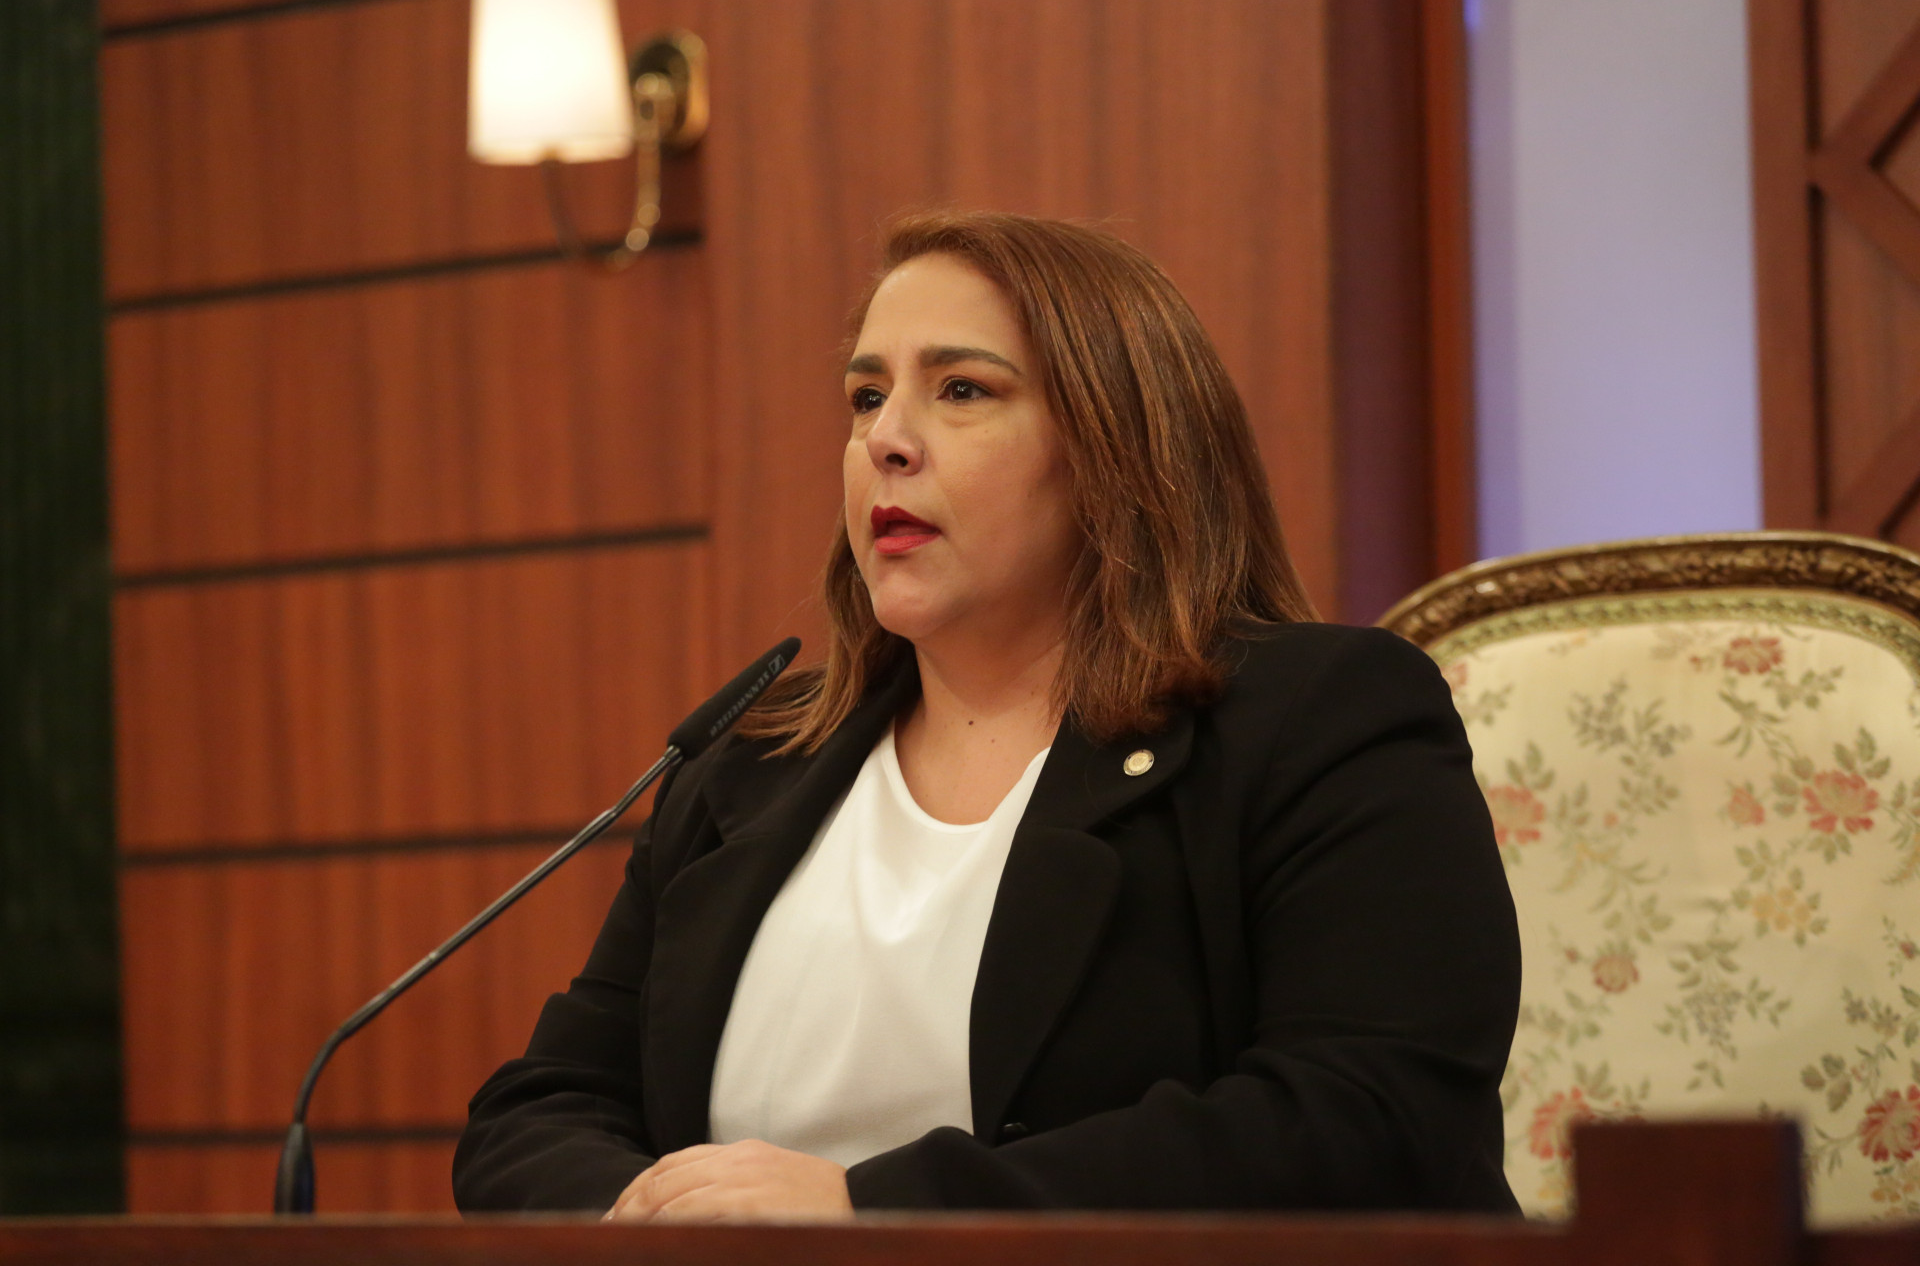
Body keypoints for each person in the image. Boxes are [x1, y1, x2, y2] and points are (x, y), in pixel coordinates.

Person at [452, 211, 1520, 1220]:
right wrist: (651, 1221)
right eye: (866, 397)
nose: (887, 439)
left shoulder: (1321, 721)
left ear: (1120, 449)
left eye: (961, 390)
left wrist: (871, 1215)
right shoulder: (749, 762)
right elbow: (540, 1110)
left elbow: (1368, 1115)